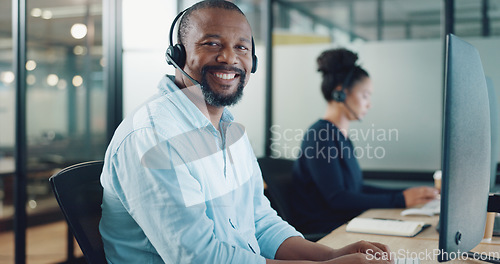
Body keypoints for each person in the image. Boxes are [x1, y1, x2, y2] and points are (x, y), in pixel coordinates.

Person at [99, 1, 393, 263]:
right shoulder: (153, 136)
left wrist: (330, 254)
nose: (229, 58)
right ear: (177, 54)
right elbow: (197, 257)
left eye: (242, 47)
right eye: (212, 44)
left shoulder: (230, 132)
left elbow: (259, 221)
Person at [290, 48, 439, 234]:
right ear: (340, 93)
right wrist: (401, 199)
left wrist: (409, 193)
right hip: (327, 231)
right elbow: (338, 198)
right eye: (365, 95)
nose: (369, 103)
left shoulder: (339, 136)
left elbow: (357, 189)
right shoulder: (320, 136)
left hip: (346, 223)